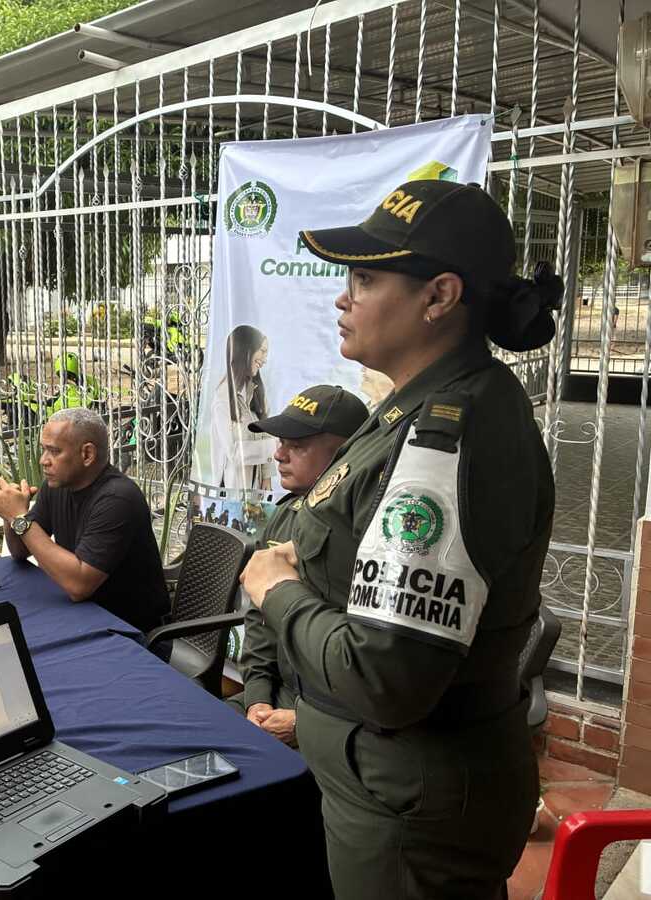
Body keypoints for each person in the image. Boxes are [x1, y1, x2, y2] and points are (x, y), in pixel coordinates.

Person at [240, 179, 560, 899]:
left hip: (406, 807)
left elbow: (385, 680)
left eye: (364, 278)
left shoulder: (451, 433)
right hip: (384, 788)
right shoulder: (411, 412)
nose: (342, 299)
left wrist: (278, 589)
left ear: (439, 296)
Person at [227, 384, 369, 749]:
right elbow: (260, 620)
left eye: (297, 445)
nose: (279, 454)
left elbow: (373, 664)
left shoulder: (366, 536)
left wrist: (305, 724)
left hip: (339, 723)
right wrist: (257, 698)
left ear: (345, 454)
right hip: (274, 698)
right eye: (281, 442)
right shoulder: (287, 514)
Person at [0, 407, 169, 633]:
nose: (43, 460)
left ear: (87, 454)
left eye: (54, 451)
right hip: (82, 615)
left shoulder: (118, 499)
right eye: (43, 450)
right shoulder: (57, 486)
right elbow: (20, 551)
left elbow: (79, 586)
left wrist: (19, 518)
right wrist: (10, 516)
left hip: (129, 632)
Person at [209, 325, 275, 494]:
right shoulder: (223, 398)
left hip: (256, 488)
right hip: (232, 491)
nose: (264, 359)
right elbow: (234, 452)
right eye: (262, 351)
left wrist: (267, 476)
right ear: (246, 350)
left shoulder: (256, 391)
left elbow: (266, 433)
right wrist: (274, 447)